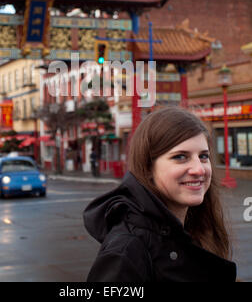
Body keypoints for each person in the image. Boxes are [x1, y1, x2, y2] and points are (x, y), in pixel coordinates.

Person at [83, 106, 237, 282]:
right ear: (147, 167)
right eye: (180, 157)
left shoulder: (198, 228)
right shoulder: (126, 251)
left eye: (203, 156)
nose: (199, 169)